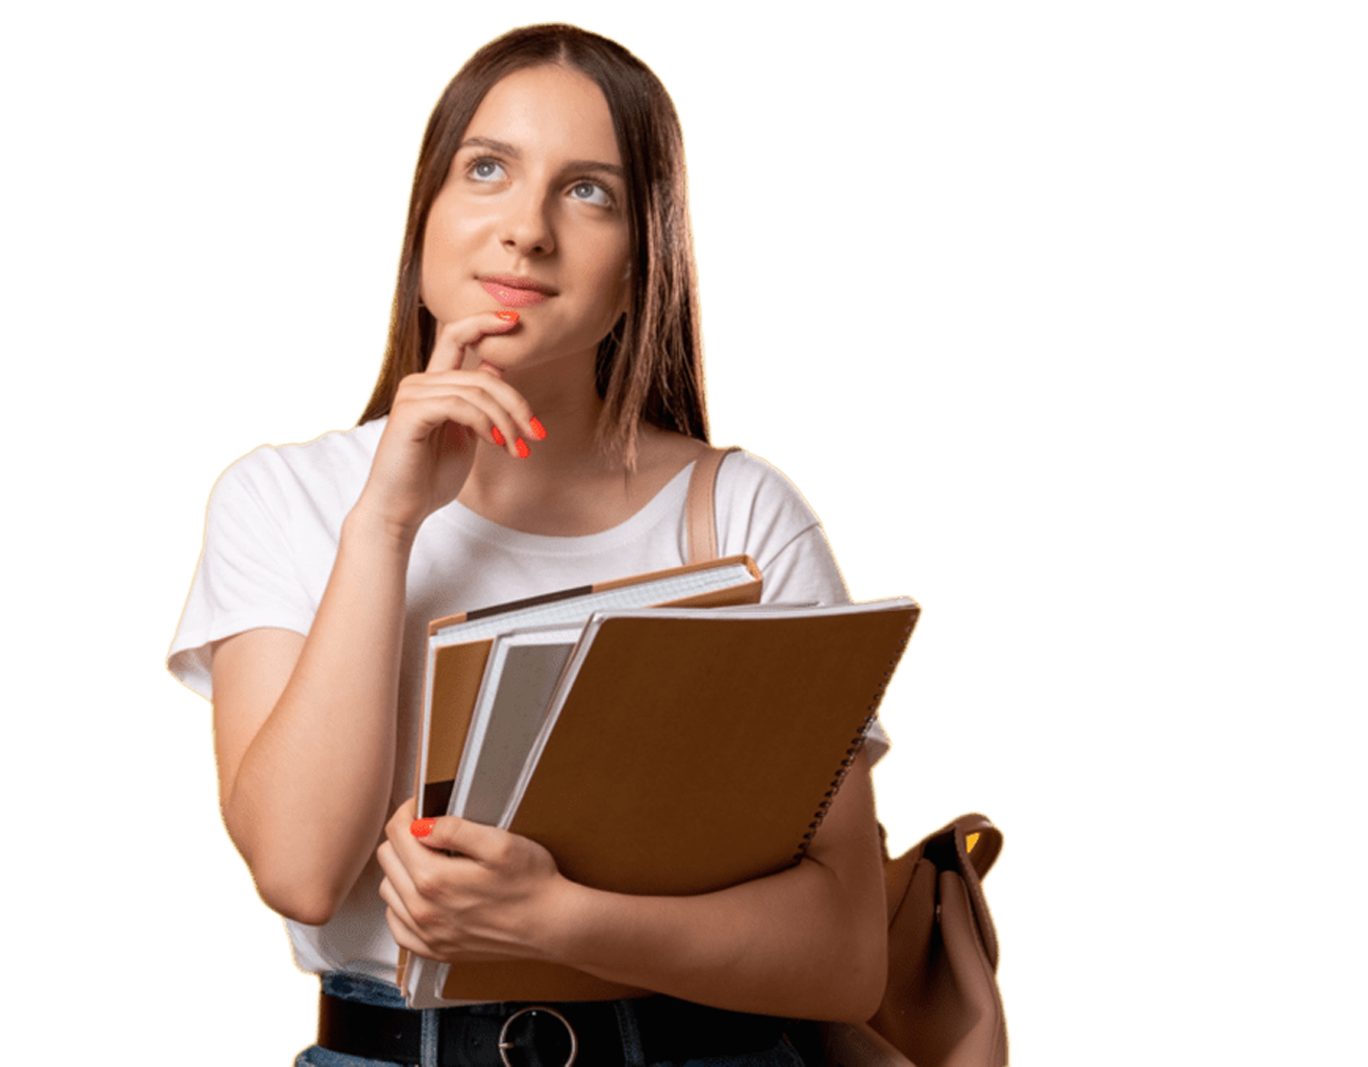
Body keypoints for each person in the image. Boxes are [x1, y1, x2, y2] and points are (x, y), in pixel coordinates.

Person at [169, 23, 888, 1067]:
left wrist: (558, 918)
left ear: (644, 268)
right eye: (488, 169)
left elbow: (844, 951)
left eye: (588, 190)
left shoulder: (740, 514)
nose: (526, 230)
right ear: (423, 225)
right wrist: (386, 522)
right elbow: (299, 866)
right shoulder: (288, 495)